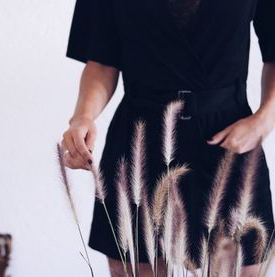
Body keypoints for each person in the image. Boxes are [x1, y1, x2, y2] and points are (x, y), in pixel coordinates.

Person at [60, 0, 275, 275]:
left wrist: (265, 120)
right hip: (139, 145)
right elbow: (101, 62)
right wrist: (83, 117)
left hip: (229, 146)